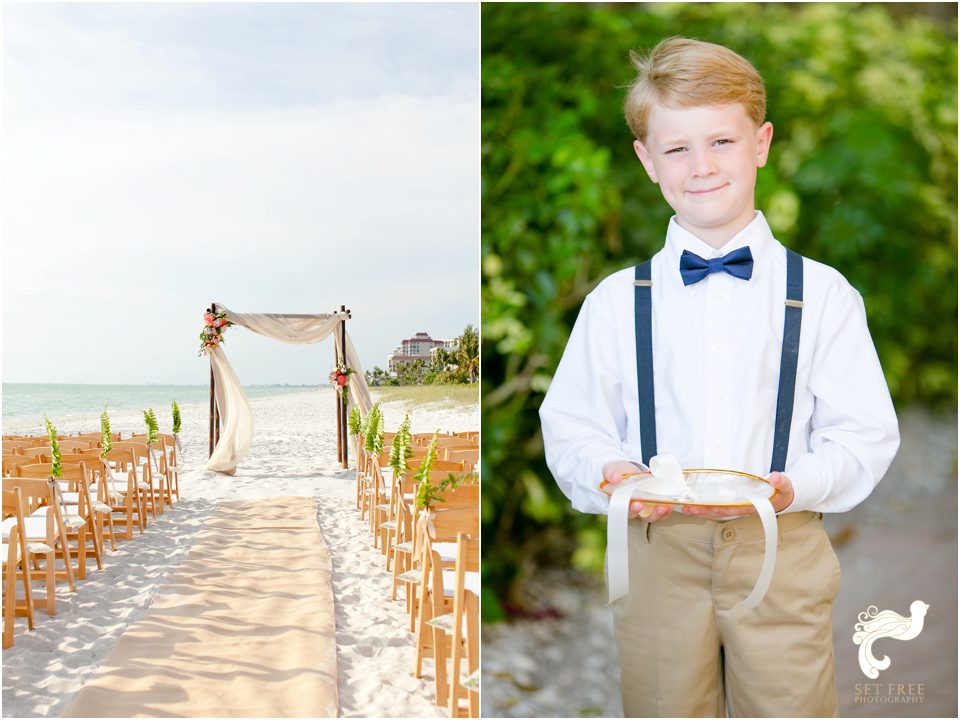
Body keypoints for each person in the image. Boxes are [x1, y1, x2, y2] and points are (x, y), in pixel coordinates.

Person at [539, 37, 899, 717]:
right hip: (656, 552)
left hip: (782, 549)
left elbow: (863, 433)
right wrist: (610, 471)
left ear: (761, 143)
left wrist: (798, 485)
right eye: (677, 149)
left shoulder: (823, 295)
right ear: (648, 161)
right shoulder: (617, 301)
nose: (701, 167)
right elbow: (573, 423)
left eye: (722, 143)